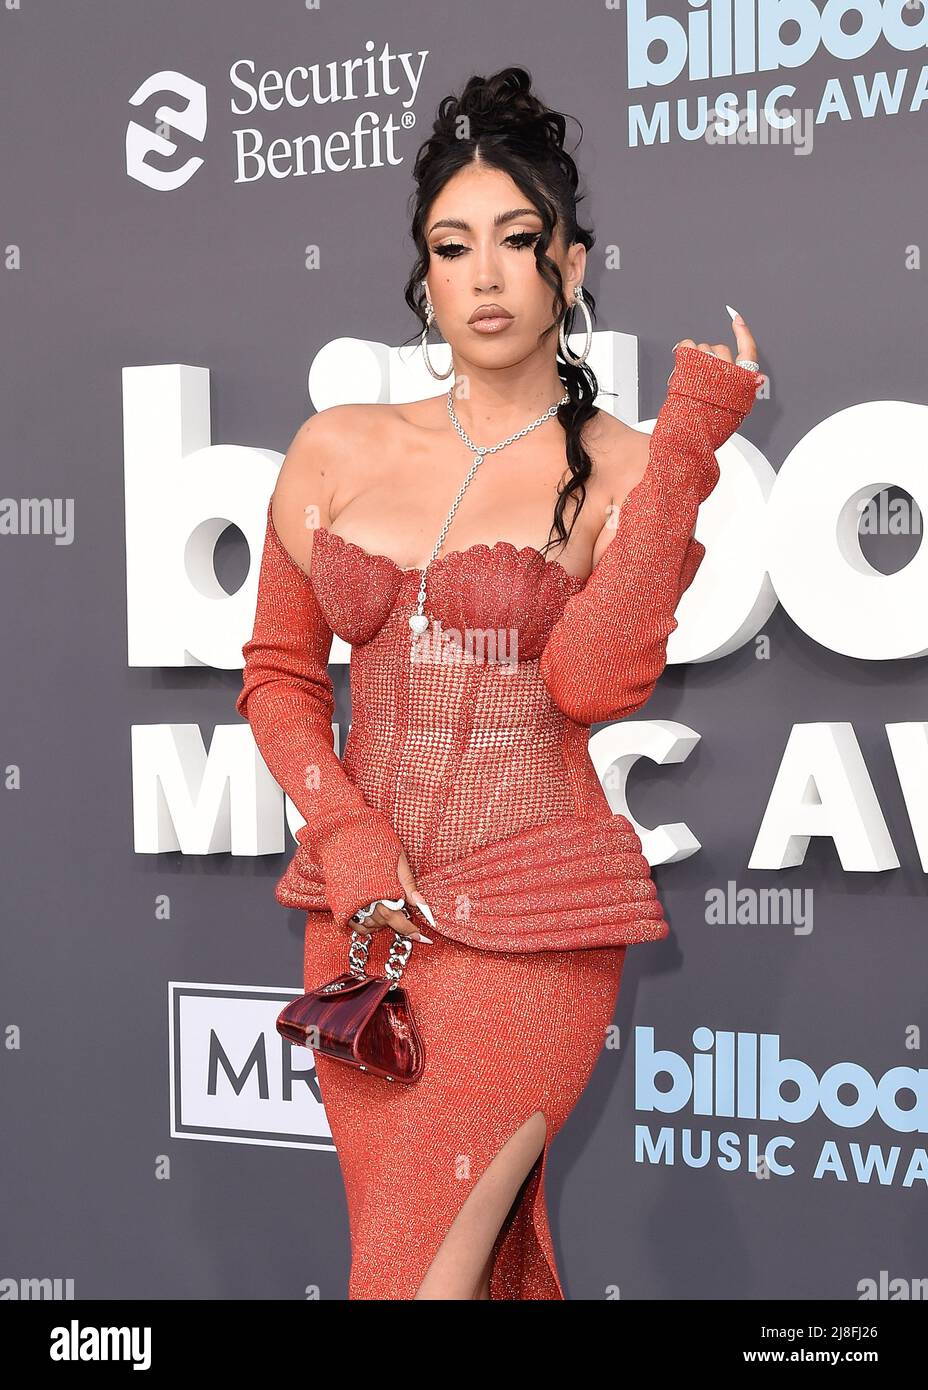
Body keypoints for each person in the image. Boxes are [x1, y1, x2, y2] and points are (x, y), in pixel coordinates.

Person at [235, 65, 762, 1300]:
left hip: (535, 920)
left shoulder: (633, 464)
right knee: (422, 1267)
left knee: (411, 1281)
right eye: (451, 246)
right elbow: (276, 675)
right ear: (424, 272)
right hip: (364, 923)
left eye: (518, 243)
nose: (483, 275)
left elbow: (589, 681)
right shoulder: (338, 445)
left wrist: (685, 446)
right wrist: (350, 830)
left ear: (571, 265)